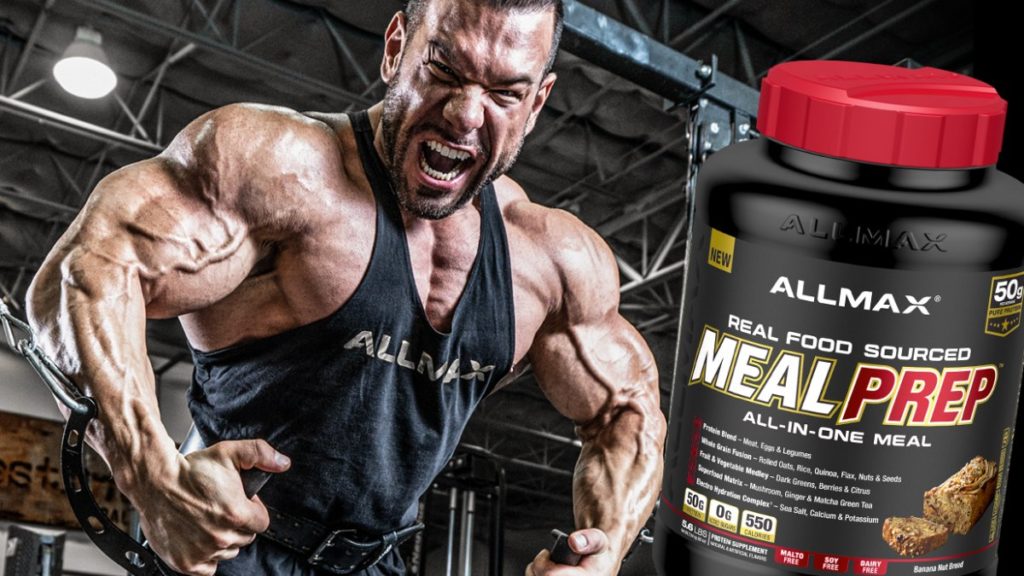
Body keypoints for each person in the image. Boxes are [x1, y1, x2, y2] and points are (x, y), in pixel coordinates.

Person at [26, 0, 666, 574]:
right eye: (444, 69)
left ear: (537, 103)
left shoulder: (551, 261)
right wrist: (152, 478)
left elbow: (627, 410)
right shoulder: (281, 170)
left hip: (379, 561)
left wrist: (605, 547)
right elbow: (83, 271)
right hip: (225, 546)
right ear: (396, 49)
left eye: (505, 93)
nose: (465, 115)